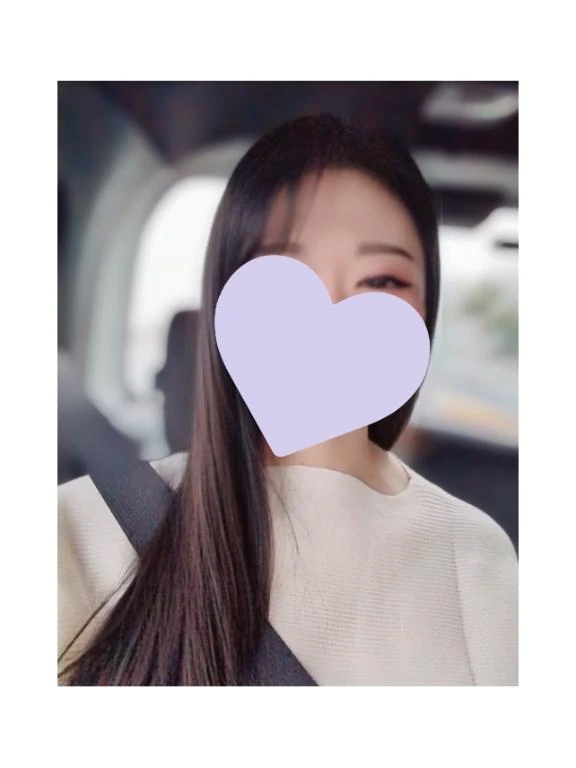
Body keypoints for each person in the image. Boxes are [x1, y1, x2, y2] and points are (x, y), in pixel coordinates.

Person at [58, 115, 518, 686]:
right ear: (225, 297)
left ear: (426, 310)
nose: (333, 313)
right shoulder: (81, 526)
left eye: (382, 282)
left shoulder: (474, 559)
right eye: (282, 273)